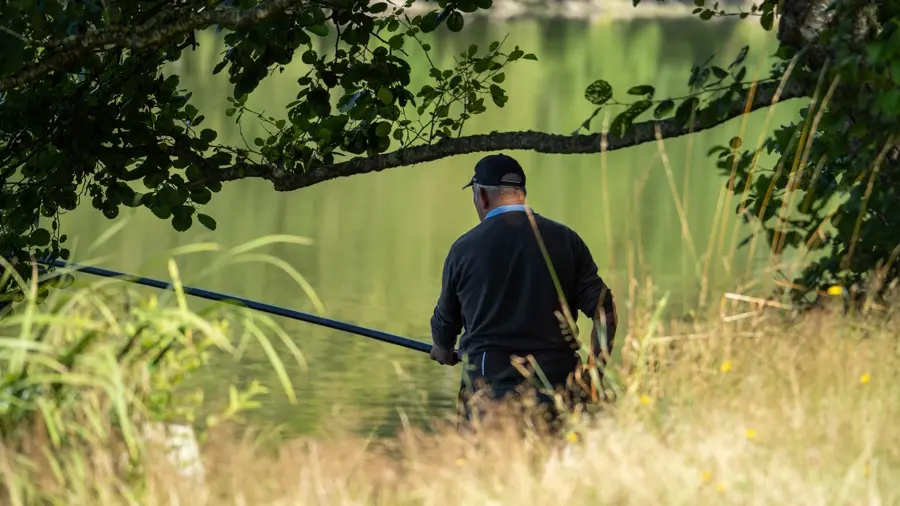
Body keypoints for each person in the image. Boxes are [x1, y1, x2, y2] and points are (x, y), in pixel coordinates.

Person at [428, 153, 618, 430]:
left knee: (483, 472)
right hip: (559, 390)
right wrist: (594, 374)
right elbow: (605, 311)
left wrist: (442, 347)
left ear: (481, 196)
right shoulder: (566, 240)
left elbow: (446, 324)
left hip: (488, 394)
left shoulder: (464, 249)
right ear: (521, 194)